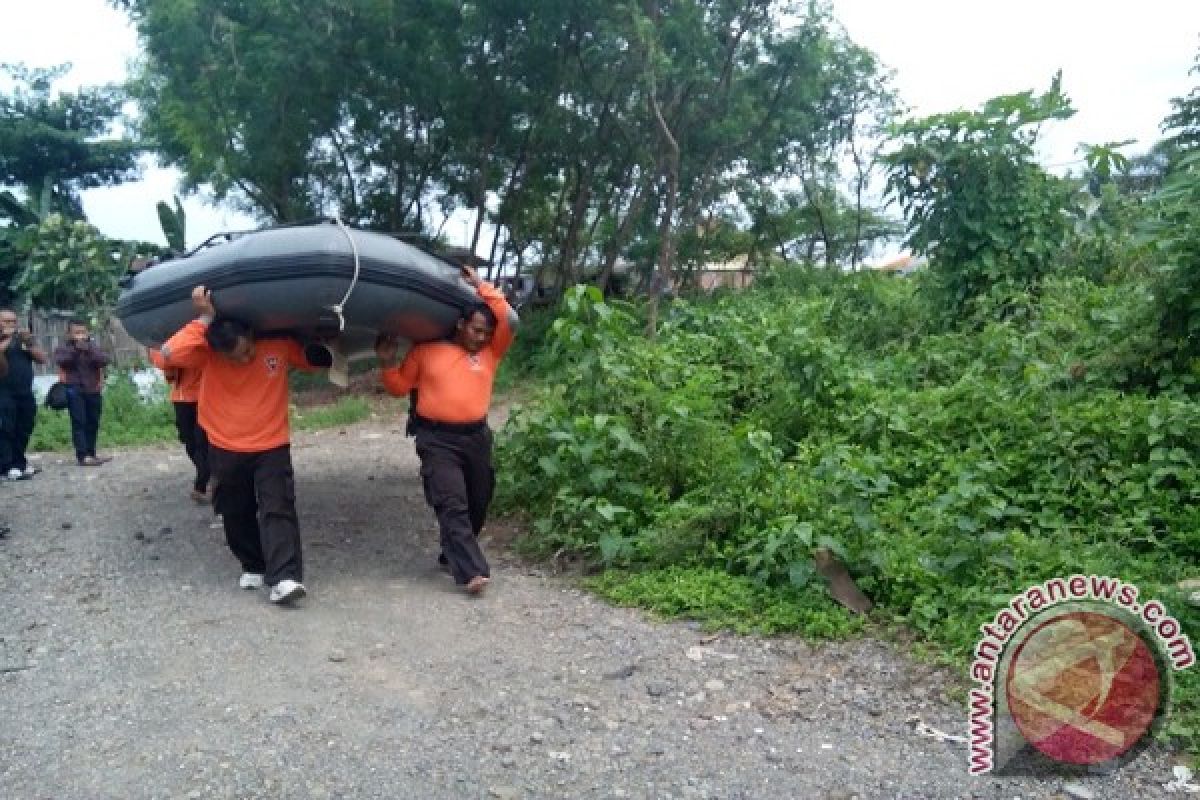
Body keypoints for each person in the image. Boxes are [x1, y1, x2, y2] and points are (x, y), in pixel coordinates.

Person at [159, 286, 319, 605]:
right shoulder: (204, 353)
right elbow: (168, 353)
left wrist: (322, 332)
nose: (245, 359)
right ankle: (253, 564)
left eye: (247, 351)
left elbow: (316, 361)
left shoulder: (277, 344)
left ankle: (284, 578)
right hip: (224, 443)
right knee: (235, 510)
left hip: (271, 443)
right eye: (235, 357)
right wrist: (204, 318)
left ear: (251, 335)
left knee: (278, 507)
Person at [375, 264, 515, 596]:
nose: (480, 338)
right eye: (476, 330)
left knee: (478, 501)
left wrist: (481, 284)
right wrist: (385, 363)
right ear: (461, 324)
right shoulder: (427, 352)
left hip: (476, 437)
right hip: (437, 439)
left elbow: (507, 318)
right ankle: (471, 572)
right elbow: (398, 387)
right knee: (452, 502)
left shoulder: (490, 353)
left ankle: (450, 550)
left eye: (485, 333)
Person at [148, 348, 210, 503]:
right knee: (189, 442)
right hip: (182, 398)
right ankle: (208, 476)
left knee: (203, 441)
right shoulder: (172, 341)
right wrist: (172, 358)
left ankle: (202, 483)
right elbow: (163, 362)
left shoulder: (199, 336)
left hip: (206, 397)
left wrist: (175, 357)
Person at [53, 319, 112, 467]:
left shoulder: (92, 347)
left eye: (83, 332)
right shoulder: (64, 348)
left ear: (87, 333)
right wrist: (76, 350)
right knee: (79, 422)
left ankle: (91, 453)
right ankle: (82, 456)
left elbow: (104, 360)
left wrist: (88, 349)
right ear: (69, 334)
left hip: (93, 389)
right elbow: (61, 361)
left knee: (93, 422)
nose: (80, 335)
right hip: (74, 389)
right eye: (77, 333)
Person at [0, 309, 47, 481]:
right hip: (4, 392)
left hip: (25, 391)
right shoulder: (7, 341)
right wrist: (9, 339)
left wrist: (30, 343)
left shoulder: (22, 341)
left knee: (24, 428)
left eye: (13, 321)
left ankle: (18, 463)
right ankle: (5, 467)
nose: (11, 325)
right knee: (6, 429)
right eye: (6, 321)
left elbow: (42, 359)